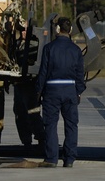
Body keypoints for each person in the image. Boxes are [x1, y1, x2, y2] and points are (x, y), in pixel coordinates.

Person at [36, 16, 85, 168]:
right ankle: (69, 158)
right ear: (70, 30)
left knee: (50, 125)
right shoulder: (76, 50)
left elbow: (43, 72)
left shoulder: (49, 48)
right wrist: (77, 91)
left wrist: (38, 92)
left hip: (52, 90)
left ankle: (51, 158)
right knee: (71, 125)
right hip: (70, 90)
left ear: (57, 29)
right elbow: (80, 74)